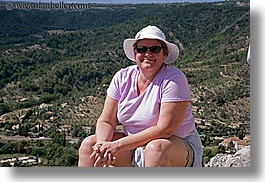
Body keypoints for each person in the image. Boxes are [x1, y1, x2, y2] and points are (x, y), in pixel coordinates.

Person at [78, 25, 203, 167]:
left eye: (155, 49)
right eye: (142, 49)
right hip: (132, 144)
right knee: (89, 146)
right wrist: (102, 146)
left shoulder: (174, 79)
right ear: (135, 53)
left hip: (175, 147)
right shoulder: (122, 77)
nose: (148, 54)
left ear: (164, 53)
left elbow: (165, 130)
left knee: (156, 149)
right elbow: (106, 120)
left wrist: (117, 146)